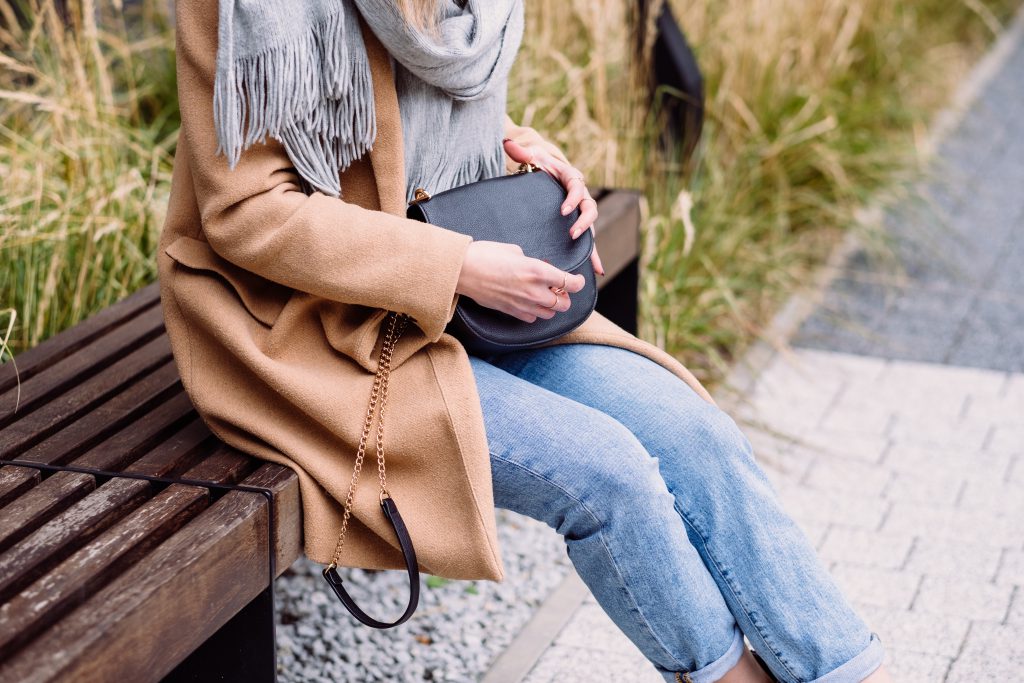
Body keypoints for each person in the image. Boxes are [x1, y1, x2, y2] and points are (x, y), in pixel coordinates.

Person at [157, 0, 892, 681]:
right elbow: (246, 211)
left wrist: (519, 156)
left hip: (469, 303)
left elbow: (424, 134)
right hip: (316, 333)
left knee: (697, 437)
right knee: (609, 472)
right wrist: (456, 265)